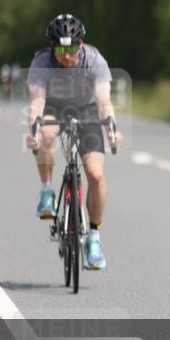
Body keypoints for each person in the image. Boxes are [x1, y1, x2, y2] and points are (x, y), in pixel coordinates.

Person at [26, 13, 123, 270]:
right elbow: (37, 102)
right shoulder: (42, 62)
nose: (65, 55)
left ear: (80, 45)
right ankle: (47, 191)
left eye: (70, 49)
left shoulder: (94, 60)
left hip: (86, 110)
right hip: (54, 108)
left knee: (96, 175)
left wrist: (112, 127)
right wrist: (34, 129)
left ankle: (94, 237)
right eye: (60, 49)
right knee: (46, 134)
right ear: (51, 47)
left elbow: (104, 101)